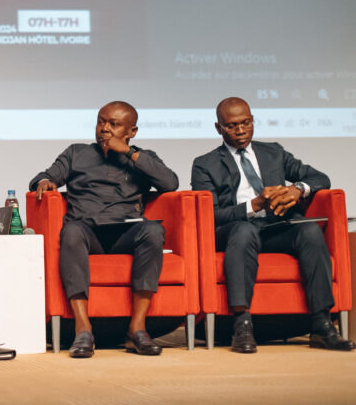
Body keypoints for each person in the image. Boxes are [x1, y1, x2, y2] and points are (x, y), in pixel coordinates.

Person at [190, 97, 354, 353]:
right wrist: (253, 205)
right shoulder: (205, 164)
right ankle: (242, 324)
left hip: (275, 226)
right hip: (235, 229)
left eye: (246, 123)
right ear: (218, 128)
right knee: (244, 231)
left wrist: (297, 189)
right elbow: (209, 215)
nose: (241, 130)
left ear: (253, 121)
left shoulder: (274, 152)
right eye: (232, 125)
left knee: (309, 229)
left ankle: (322, 324)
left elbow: (320, 178)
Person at [29, 101, 178, 358]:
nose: (105, 129)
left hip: (126, 233)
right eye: (101, 122)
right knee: (71, 231)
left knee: (153, 231)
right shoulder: (77, 152)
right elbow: (43, 176)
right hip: (88, 232)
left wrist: (129, 153)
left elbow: (170, 183)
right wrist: (45, 181)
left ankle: (137, 329)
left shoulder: (143, 157)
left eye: (114, 124)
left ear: (131, 132)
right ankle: (83, 329)